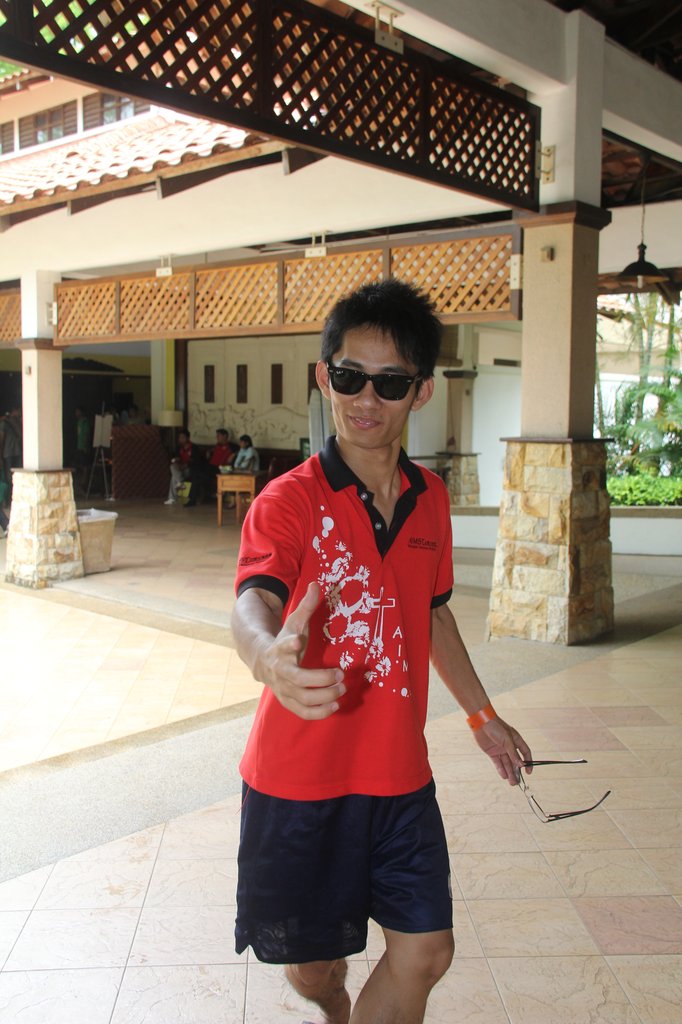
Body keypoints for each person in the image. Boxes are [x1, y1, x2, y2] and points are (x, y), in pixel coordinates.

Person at [230, 279, 532, 1024]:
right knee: (316, 968)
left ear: (420, 391)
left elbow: (432, 614)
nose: (366, 399)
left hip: (399, 777)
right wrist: (266, 656)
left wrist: (482, 716)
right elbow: (254, 599)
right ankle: (333, 1005)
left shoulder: (431, 498)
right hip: (300, 784)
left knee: (426, 953)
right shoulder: (289, 500)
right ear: (323, 377)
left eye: (390, 382)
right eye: (349, 377)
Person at [185, 427, 236, 506]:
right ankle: (190, 500)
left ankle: (191, 500)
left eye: (218, 435)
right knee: (195, 476)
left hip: (220, 469)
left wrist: (233, 455)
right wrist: (208, 453)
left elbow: (239, 452)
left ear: (225, 436)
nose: (217, 437)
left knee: (196, 472)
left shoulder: (232, 447)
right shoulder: (217, 446)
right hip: (210, 468)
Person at [164, 429, 193, 505]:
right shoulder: (179, 448)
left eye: (183, 437)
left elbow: (195, 461)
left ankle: (172, 498)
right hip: (180, 468)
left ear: (188, 438)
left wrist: (185, 465)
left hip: (189, 469)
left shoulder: (193, 448)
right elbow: (177, 458)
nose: (181, 439)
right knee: (172, 467)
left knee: (174, 477)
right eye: (180, 438)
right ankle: (181, 481)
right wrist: (177, 460)